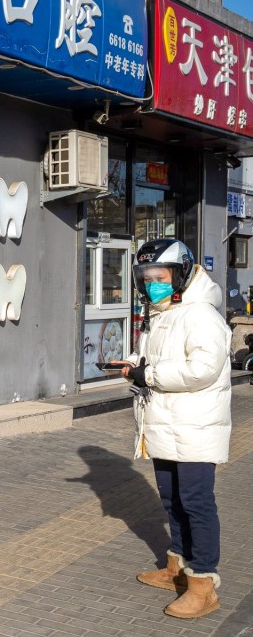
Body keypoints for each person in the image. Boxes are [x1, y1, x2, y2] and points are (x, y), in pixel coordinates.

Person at [111, 238, 231, 619]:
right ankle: (176, 570)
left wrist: (150, 375)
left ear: (180, 274)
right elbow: (152, 356)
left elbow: (202, 370)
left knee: (197, 504)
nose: (152, 285)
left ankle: (203, 584)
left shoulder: (200, 315)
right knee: (172, 502)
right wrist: (131, 363)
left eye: (159, 277)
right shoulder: (162, 311)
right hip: (163, 423)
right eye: (146, 278)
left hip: (194, 425)